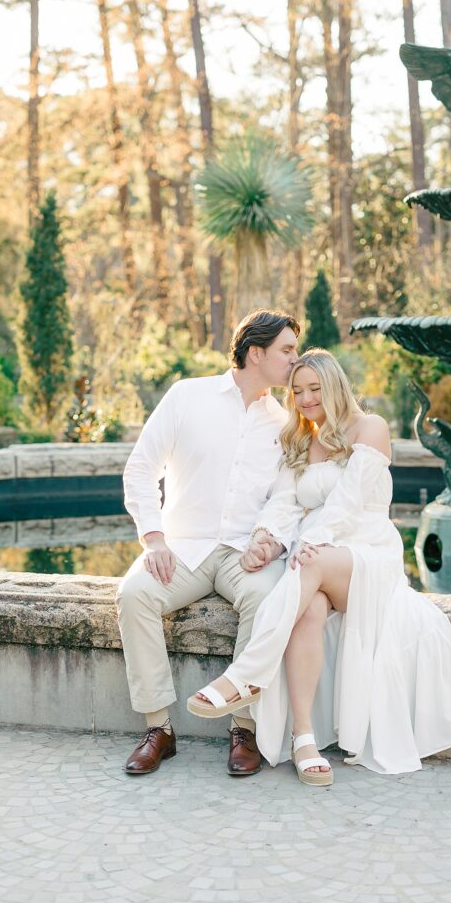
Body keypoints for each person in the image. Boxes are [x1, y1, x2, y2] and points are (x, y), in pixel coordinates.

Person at [188, 349, 451, 784]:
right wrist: (264, 540)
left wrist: (313, 542)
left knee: (309, 565)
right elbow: (285, 503)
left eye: (314, 389)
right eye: (297, 391)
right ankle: (304, 740)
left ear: (335, 386)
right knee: (309, 611)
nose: (305, 399)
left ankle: (246, 674)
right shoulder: (303, 440)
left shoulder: (370, 428)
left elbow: (348, 501)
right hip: (317, 561)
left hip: (367, 554)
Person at [116, 308, 301, 777]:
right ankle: (159, 729)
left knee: (269, 598)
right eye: (286, 350)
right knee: (134, 594)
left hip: (245, 552)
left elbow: (287, 497)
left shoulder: (285, 422)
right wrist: (154, 539)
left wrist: (270, 542)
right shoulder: (187, 396)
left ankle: (244, 728)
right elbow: (141, 468)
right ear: (255, 353)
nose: (294, 360)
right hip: (183, 547)